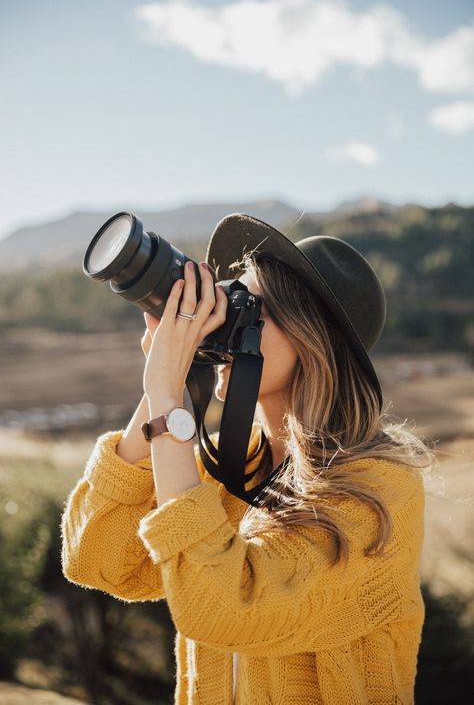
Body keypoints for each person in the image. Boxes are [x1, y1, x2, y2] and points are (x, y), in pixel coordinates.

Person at [61, 213, 436, 704]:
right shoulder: (232, 473)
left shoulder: (377, 490)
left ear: (311, 339)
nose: (223, 316)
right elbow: (97, 559)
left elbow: (227, 608)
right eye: (228, 294)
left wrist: (169, 400)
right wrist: (163, 391)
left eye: (249, 306)